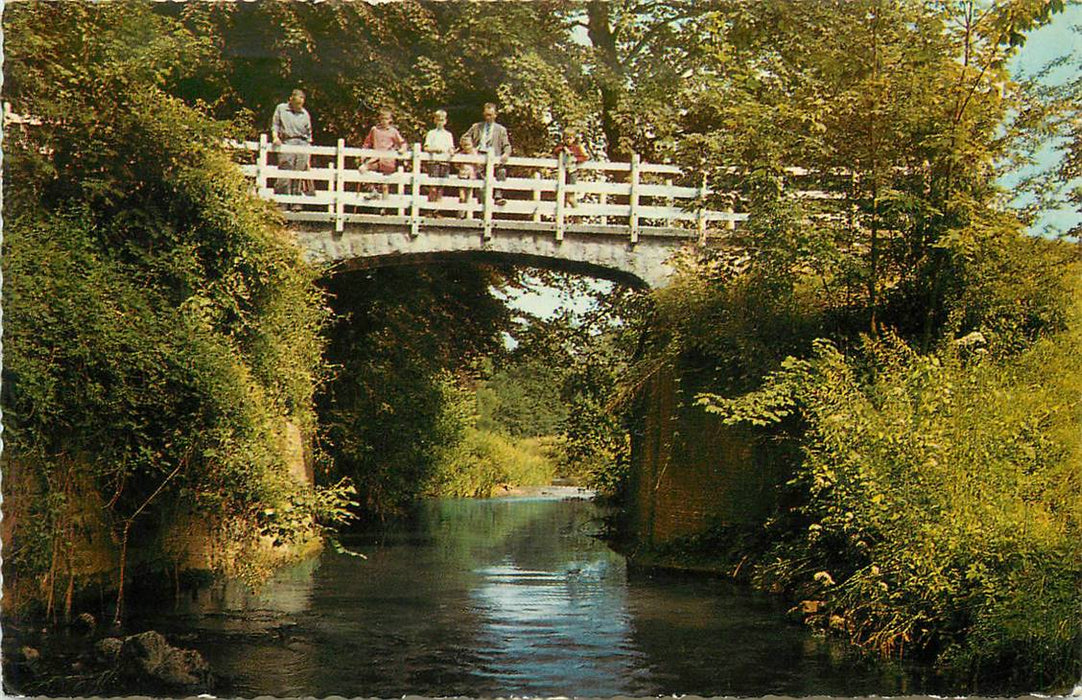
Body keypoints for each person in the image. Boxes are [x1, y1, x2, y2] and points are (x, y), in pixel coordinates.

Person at [271, 89, 313, 210]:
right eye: (297, 103)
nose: (299, 106)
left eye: (301, 103)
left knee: (299, 173)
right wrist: (275, 137)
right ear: (291, 99)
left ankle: (296, 202)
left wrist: (308, 155)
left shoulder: (305, 114)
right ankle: (281, 203)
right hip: (287, 141)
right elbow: (275, 125)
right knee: (285, 170)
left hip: (303, 143)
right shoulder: (281, 108)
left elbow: (309, 134)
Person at [465, 102, 512, 206]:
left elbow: (507, 145)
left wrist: (506, 154)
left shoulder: (501, 130)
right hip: (479, 156)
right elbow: (465, 138)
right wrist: (471, 150)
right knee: (478, 178)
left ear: (495, 115)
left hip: (494, 158)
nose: (488, 117)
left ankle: (498, 197)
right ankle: (481, 203)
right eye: (486, 115)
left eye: (490, 115)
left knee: (502, 171)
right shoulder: (477, 127)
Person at [360, 107, 407, 199]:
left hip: (388, 161)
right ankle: (373, 190)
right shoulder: (374, 130)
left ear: (390, 120)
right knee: (363, 169)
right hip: (375, 160)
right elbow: (367, 143)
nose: (384, 121)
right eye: (382, 118)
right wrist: (363, 154)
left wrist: (402, 149)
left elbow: (403, 143)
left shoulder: (393, 131)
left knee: (385, 185)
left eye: (386, 119)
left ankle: (384, 208)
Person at [423, 109, 455, 209]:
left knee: (441, 187)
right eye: (438, 119)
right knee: (433, 187)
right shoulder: (431, 133)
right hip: (434, 162)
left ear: (445, 121)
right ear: (435, 120)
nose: (440, 122)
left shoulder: (448, 135)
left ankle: (437, 210)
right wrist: (435, 149)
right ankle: (429, 209)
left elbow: (451, 147)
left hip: (444, 162)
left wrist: (451, 151)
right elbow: (426, 147)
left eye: (442, 120)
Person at [554, 130, 589, 207]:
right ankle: (565, 217)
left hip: (572, 172)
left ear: (574, 139)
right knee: (561, 195)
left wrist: (576, 159)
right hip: (563, 172)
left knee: (570, 197)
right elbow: (556, 151)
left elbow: (585, 157)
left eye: (570, 138)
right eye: (566, 138)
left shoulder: (576, 148)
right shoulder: (561, 147)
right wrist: (564, 149)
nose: (568, 140)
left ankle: (577, 216)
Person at [455, 133, 480, 218]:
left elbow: (478, 165)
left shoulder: (475, 154)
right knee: (462, 196)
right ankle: (460, 214)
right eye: (464, 145)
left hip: (471, 176)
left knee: (469, 195)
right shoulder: (461, 154)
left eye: (468, 145)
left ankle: (469, 215)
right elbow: (456, 165)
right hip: (462, 176)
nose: (466, 147)